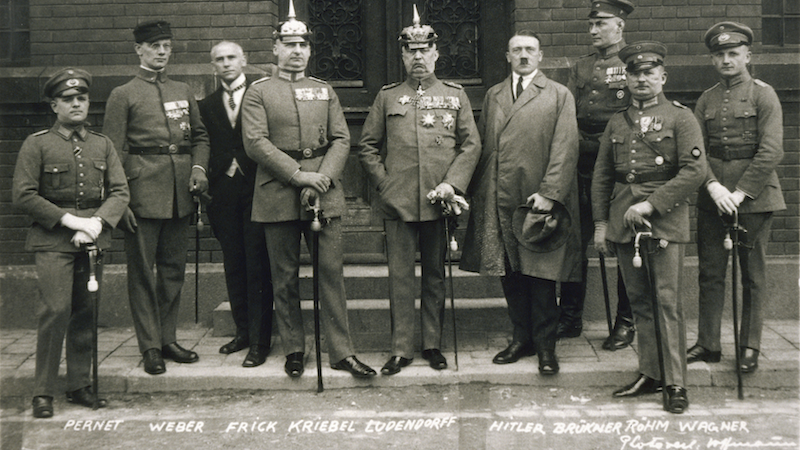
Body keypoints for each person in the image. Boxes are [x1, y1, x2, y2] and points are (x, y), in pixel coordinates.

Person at [241, 1, 375, 379]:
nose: (296, 51)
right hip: (277, 191)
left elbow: (341, 140)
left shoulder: (323, 89)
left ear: (310, 49)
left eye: (302, 45)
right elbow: (256, 143)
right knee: (283, 278)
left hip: (324, 192)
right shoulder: (259, 92)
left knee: (330, 274)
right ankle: (294, 349)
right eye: (289, 44)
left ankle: (342, 352)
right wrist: (299, 176)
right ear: (276, 48)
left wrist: (323, 179)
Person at [359, 6, 481, 376]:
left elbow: (471, 145)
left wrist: (452, 184)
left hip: (439, 202)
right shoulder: (387, 96)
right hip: (398, 203)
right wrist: (385, 183)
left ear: (436, 54)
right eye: (410, 51)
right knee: (399, 277)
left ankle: (432, 344)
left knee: (434, 275)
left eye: (424, 50)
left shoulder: (455, 95)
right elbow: (366, 146)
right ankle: (400, 349)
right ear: (401, 55)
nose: (417, 57)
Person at [592, 41, 707, 414]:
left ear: (662, 77)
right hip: (624, 222)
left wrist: (651, 203)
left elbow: (694, 171)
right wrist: (600, 224)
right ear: (626, 78)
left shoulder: (681, 117)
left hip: (664, 221)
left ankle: (675, 382)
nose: (641, 79)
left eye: (649, 73)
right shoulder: (616, 121)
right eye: (635, 73)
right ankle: (650, 372)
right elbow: (602, 177)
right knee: (641, 302)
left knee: (667, 302)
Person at [460, 30, 581, 376]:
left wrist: (550, 192)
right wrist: (472, 192)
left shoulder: (559, 94)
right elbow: (484, 148)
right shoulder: (495, 94)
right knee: (511, 272)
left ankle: (546, 347)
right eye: (517, 50)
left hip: (537, 198)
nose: (523, 55)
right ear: (508, 56)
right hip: (500, 197)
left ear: (541, 56)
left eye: (530, 50)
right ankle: (521, 338)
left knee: (541, 274)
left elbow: (565, 147)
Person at [13, 68, 129, 418]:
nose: (76, 104)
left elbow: (121, 191)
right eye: (68, 99)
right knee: (56, 310)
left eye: (81, 98)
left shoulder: (102, 144)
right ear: (54, 105)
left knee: (86, 312)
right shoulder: (37, 144)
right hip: (52, 241)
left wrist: (94, 223)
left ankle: (80, 384)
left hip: (92, 239)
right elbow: (23, 195)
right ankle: (43, 392)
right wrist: (71, 221)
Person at [103, 20, 210, 375]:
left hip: (181, 193)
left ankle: (168, 338)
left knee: (172, 272)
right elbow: (111, 152)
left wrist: (199, 170)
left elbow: (200, 137)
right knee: (142, 275)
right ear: (139, 50)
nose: (162, 52)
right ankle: (149, 346)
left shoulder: (182, 89)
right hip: (141, 195)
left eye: (166, 45)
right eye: (154, 46)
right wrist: (120, 202)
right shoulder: (124, 94)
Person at [687, 22, 785, 373]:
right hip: (713, 198)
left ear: (747, 55)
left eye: (733, 53)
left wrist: (741, 193)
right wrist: (713, 186)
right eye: (719, 55)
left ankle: (749, 346)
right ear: (712, 59)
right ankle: (708, 343)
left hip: (755, 199)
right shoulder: (707, 99)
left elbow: (771, 149)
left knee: (752, 275)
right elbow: (695, 152)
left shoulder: (763, 94)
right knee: (710, 272)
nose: (726, 60)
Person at [561, 0, 635, 349]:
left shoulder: (634, 63)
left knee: (621, 240)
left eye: (600, 24)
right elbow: (571, 115)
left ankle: (626, 321)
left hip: (619, 165)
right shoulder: (582, 66)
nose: (593, 31)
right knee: (575, 241)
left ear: (619, 26)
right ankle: (570, 316)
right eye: (591, 25)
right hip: (581, 161)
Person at [198, 41, 274, 367]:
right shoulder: (206, 104)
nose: (226, 63)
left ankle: (260, 341)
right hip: (223, 194)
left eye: (231, 57)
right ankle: (242, 332)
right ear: (213, 66)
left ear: (244, 60)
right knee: (234, 262)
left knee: (258, 264)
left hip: (258, 188)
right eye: (220, 59)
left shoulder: (262, 96)